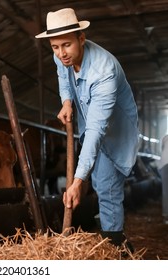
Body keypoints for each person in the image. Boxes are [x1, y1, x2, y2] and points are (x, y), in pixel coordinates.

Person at [36, 8, 140, 249]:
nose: (61, 53)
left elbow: (95, 129)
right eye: (54, 47)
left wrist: (76, 181)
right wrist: (66, 102)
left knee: (106, 185)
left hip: (114, 131)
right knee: (100, 182)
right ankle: (113, 238)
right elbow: (63, 77)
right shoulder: (62, 56)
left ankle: (116, 248)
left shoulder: (104, 72)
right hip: (92, 126)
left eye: (66, 45)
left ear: (81, 38)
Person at [157, 135, 168, 224]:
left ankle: (165, 216)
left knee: (166, 191)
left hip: (164, 164)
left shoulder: (165, 137)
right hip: (165, 163)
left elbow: (162, 150)